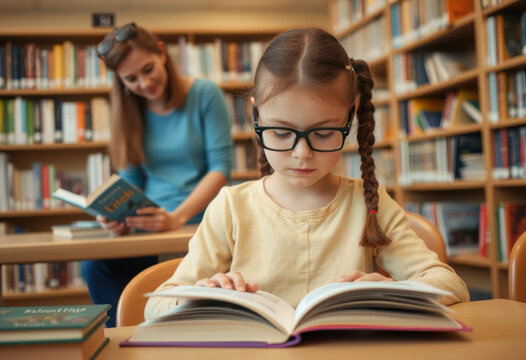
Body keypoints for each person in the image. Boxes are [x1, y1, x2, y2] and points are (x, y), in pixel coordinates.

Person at [145, 28, 469, 319]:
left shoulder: (369, 202)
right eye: (282, 133)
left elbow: (450, 284)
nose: (302, 153)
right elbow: (155, 305)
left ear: (350, 118)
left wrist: (391, 292)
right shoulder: (230, 207)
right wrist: (203, 296)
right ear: (256, 116)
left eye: (324, 133)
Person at [83, 22, 232, 327]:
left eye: (148, 69)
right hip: (153, 225)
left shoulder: (205, 94)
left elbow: (220, 169)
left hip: (201, 220)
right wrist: (119, 217)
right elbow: (133, 184)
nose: (144, 83)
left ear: (162, 53)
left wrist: (176, 217)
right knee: (95, 266)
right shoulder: (128, 112)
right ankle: (126, 338)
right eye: (131, 79)